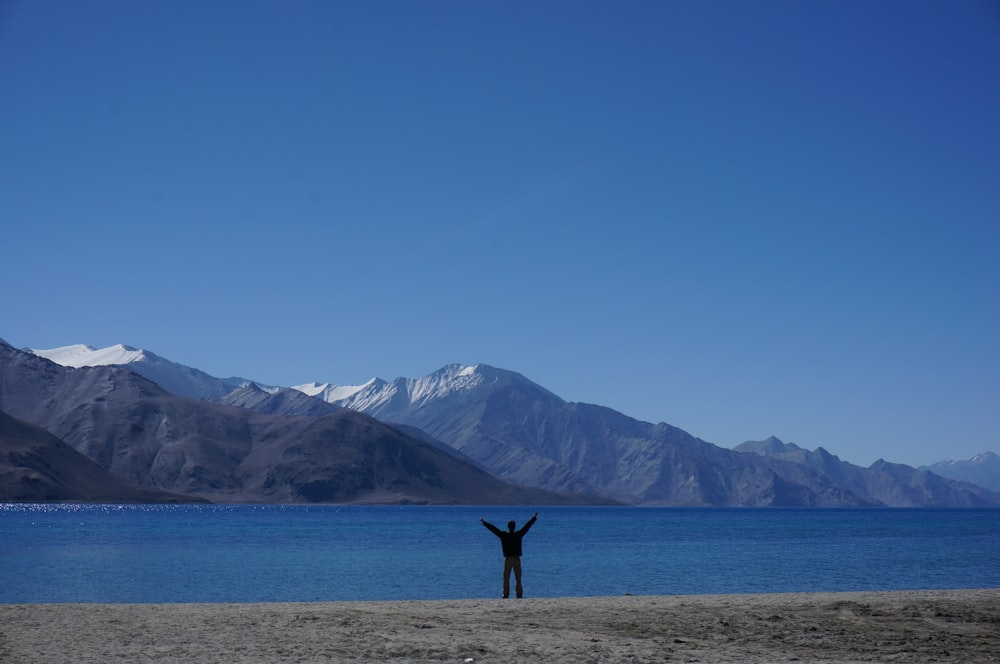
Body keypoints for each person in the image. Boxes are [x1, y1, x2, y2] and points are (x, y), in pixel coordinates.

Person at [480, 512, 538, 598]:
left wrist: (484, 522)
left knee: (506, 578)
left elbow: (494, 529)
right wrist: (534, 517)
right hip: (516, 559)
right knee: (518, 578)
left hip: (508, 559)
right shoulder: (518, 535)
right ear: (514, 527)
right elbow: (527, 526)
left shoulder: (504, 535)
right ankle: (519, 594)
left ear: (508, 527)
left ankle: (505, 594)